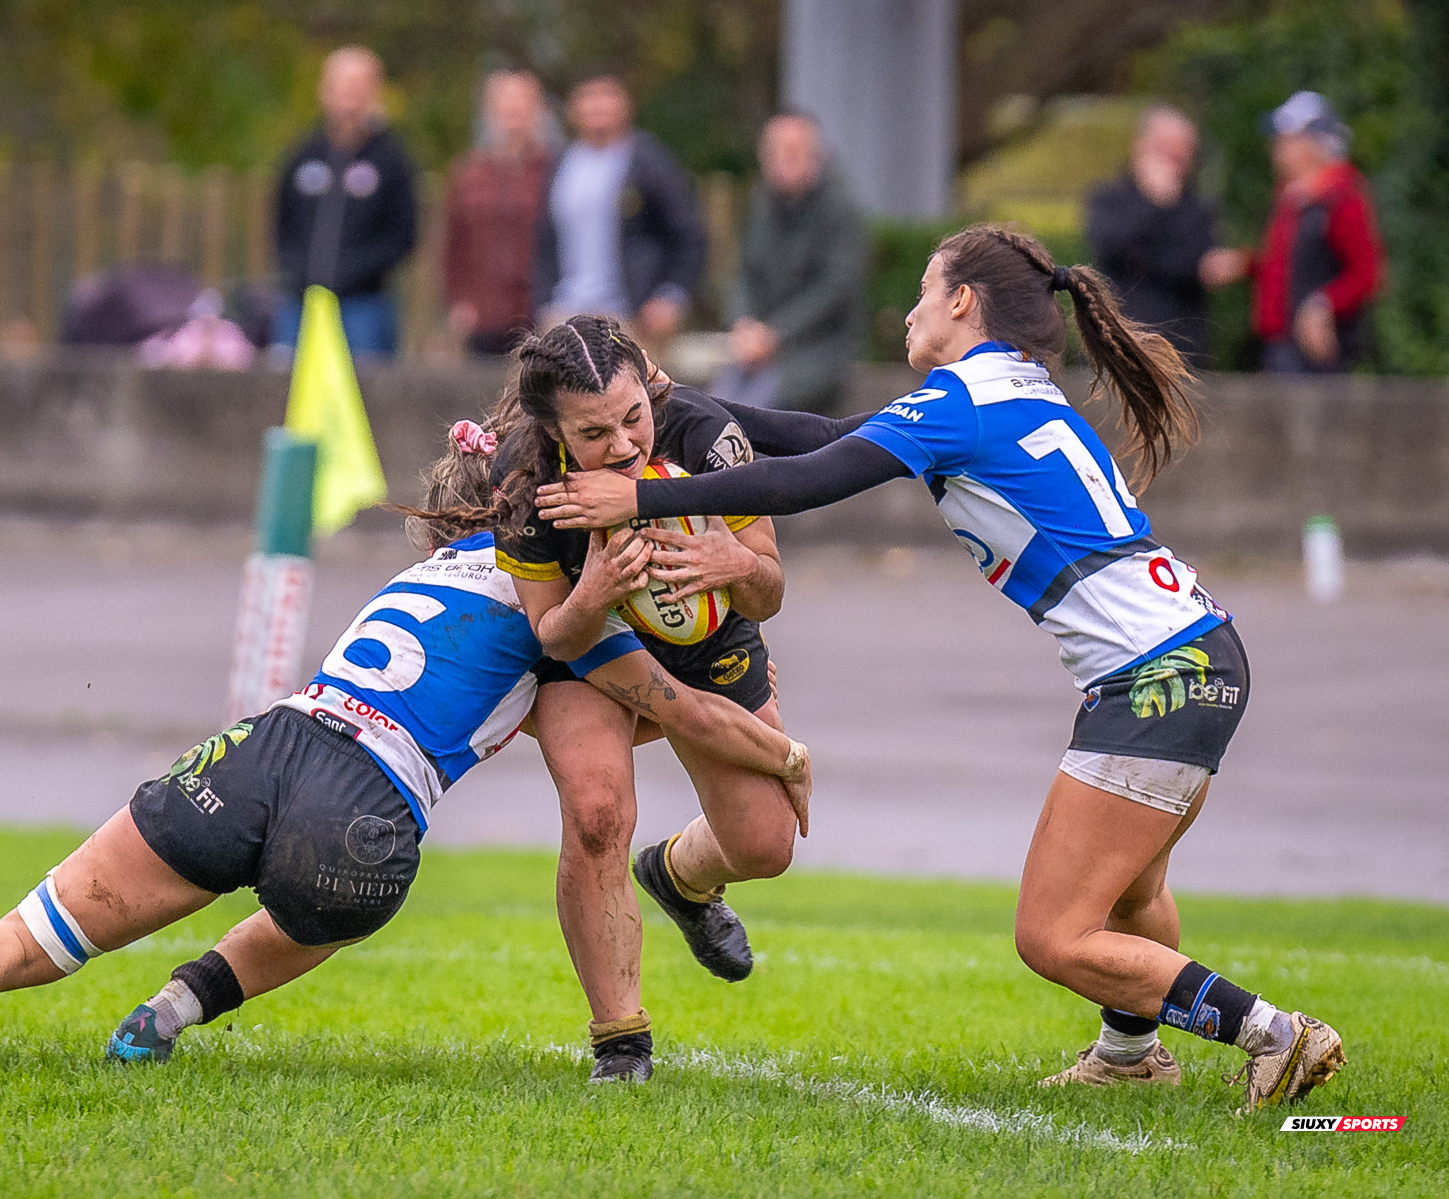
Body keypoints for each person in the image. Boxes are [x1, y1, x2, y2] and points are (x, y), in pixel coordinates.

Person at [0, 421, 812, 1076]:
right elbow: (667, 702)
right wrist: (779, 750)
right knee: (332, 888)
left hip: (264, 745)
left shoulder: (424, 572)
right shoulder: (562, 614)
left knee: (33, 931)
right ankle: (181, 1003)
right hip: (365, 808)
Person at [534, 225, 1347, 1114]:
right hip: (1202, 651)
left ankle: (1276, 1032)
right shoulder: (1006, 391)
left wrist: (642, 494)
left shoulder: (963, 401)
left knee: (1052, 934)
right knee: (1133, 887)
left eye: (925, 290)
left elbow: (804, 480)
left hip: (1153, 676)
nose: (912, 309)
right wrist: (678, 402)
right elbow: (831, 434)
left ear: (964, 302)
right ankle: (1130, 1053)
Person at [489, 314, 799, 1084]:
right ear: (553, 429)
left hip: (705, 638)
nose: (624, 444)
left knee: (765, 846)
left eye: (633, 417)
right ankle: (620, 1040)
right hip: (586, 641)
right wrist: (594, 592)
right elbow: (554, 634)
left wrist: (734, 560)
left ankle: (679, 874)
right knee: (596, 812)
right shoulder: (524, 481)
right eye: (594, 433)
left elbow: (769, 593)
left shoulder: (705, 435)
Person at [1199, 91, 1385, 373]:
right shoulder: (1292, 197)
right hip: (1280, 345)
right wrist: (1243, 264)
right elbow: (1286, 263)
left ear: (1311, 143)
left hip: (1318, 352)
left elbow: (1367, 274)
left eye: (1285, 139)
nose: (1276, 147)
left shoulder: (1341, 197)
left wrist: (1323, 304)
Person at [533, 73, 706, 357]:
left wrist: (671, 296)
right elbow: (545, 241)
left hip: (631, 318)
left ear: (626, 105)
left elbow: (688, 234)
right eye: (588, 97)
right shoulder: (560, 164)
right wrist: (545, 302)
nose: (598, 106)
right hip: (566, 315)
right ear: (573, 108)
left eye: (607, 96)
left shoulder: (648, 161)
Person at [711, 109, 864, 414]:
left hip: (818, 350)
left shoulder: (841, 211)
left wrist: (776, 335)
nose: (784, 160)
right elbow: (741, 274)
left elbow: (835, 289)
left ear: (816, 156)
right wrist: (743, 324)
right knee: (712, 406)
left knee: (755, 413)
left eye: (795, 152)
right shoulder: (759, 204)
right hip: (756, 347)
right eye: (775, 152)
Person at [272, 46, 418, 357]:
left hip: (365, 305)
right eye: (341, 84)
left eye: (357, 85)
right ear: (324, 90)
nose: (348, 95)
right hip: (300, 303)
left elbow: (403, 235)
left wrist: (354, 270)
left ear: (374, 91)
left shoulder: (390, 160)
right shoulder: (303, 154)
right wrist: (297, 269)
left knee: (368, 394)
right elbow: (280, 223)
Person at [1085, 106, 1217, 365]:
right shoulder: (1109, 199)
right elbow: (1109, 247)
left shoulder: (1197, 208)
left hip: (1182, 350)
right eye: (1166, 145)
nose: (1175, 155)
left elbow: (1193, 265)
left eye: (1184, 147)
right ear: (1141, 146)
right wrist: (1153, 204)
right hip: (1119, 343)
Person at [444, 70, 554, 356]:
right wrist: (459, 300)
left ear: (538, 110)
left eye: (521, 103)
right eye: (504, 103)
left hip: (538, 315)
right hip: (482, 317)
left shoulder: (555, 170)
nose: (512, 111)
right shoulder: (468, 173)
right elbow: (453, 245)